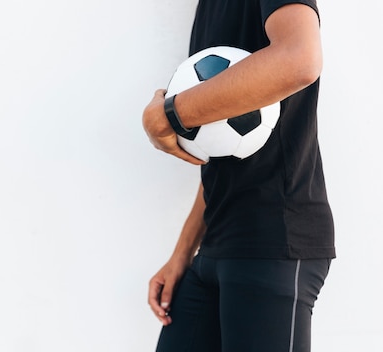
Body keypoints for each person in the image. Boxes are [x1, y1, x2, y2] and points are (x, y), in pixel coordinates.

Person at [141, 1, 335, 351]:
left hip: (274, 241)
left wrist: (169, 116)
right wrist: (182, 253)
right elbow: (224, 148)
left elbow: (299, 59)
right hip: (214, 245)